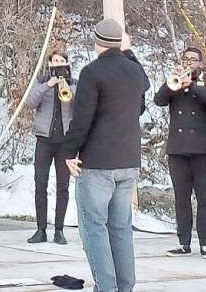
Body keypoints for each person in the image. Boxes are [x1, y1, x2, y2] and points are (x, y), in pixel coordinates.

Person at [62, 19, 150, 292]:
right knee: (121, 228)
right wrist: (129, 51)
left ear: (97, 42)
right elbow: (140, 109)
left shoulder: (92, 72)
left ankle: (106, 288)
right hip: (128, 161)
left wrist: (68, 151)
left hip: (98, 163)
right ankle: (125, 286)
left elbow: (82, 118)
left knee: (95, 228)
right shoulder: (136, 72)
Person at [154, 47, 206, 258]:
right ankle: (184, 242)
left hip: (203, 149)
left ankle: (205, 243)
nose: (189, 62)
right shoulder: (175, 80)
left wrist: (192, 85)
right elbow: (159, 100)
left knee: (204, 197)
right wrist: (172, 82)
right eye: (186, 59)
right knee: (181, 198)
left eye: (194, 59)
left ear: (201, 63)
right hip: (178, 149)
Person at [25, 49, 77, 244]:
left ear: (66, 64)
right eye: (55, 61)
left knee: (63, 187)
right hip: (44, 140)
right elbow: (30, 102)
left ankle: (59, 230)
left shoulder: (74, 83)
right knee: (41, 184)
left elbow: (78, 106)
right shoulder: (41, 81)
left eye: (61, 60)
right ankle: (40, 229)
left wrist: (66, 87)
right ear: (49, 64)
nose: (58, 63)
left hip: (65, 142)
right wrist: (48, 85)